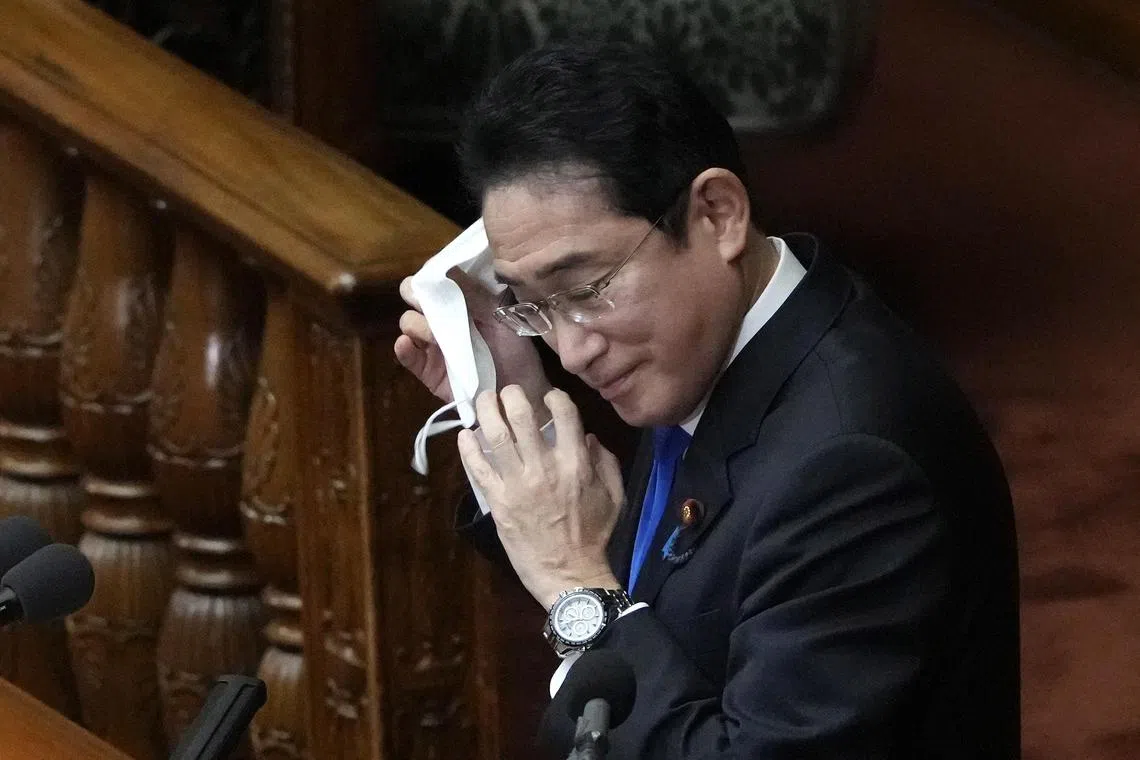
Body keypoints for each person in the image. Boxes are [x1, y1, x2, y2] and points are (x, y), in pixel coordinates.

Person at [395, 42, 1019, 759]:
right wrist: (523, 422)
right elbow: (672, 597)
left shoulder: (853, 465)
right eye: (534, 307)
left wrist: (576, 585)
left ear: (718, 214)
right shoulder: (731, 348)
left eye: (587, 289)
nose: (570, 351)